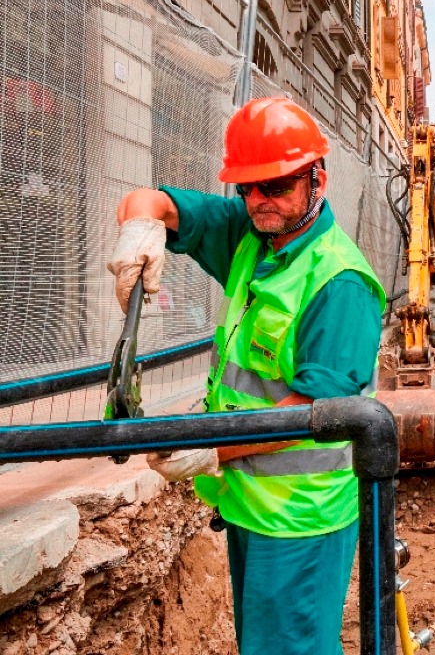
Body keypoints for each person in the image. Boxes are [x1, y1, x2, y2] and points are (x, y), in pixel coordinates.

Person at [106, 97, 384, 655]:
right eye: (247, 188)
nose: (259, 201)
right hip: (248, 505)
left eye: (276, 186)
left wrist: (209, 447)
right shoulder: (251, 235)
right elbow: (154, 200)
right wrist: (139, 226)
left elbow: (315, 414)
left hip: (300, 521)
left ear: (316, 180)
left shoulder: (340, 283)